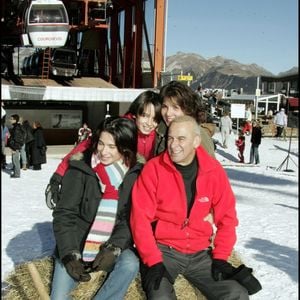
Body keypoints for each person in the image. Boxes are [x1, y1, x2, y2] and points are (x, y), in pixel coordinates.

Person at [130, 115, 261, 300]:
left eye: (181, 139)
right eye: (170, 138)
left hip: (200, 253)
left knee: (236, 293)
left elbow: (227, 218)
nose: (174, 144)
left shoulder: (213, 171)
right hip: (165, 251)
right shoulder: (153, 169)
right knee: (159, 294)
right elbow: (140, 220)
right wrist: (153, 261)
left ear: (196, 141)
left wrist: (221, 257)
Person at [51, 117, 143, 299]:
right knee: (58, 297)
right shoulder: (80, 168)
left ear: (125, 148)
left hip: (111, 240)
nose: (103, 151)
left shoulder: (134, 175)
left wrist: (114, 247)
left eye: (112, 146)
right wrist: (69, 254)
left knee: (130, 264)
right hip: (77, 242)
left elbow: (129, 218)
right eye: (101, 143)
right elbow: (64, 214)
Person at [155, 80, 216, 158]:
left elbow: (210, 167)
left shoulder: (198, 137)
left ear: (187, 109)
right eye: (165, 107)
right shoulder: (161, 129)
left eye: (175, 107)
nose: (168, 113)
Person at [124, 90, 162, 161]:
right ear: (135, 113)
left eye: (155, 119)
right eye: (145, 116)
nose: (149, 123)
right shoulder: (122, 130)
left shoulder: (158, 135)